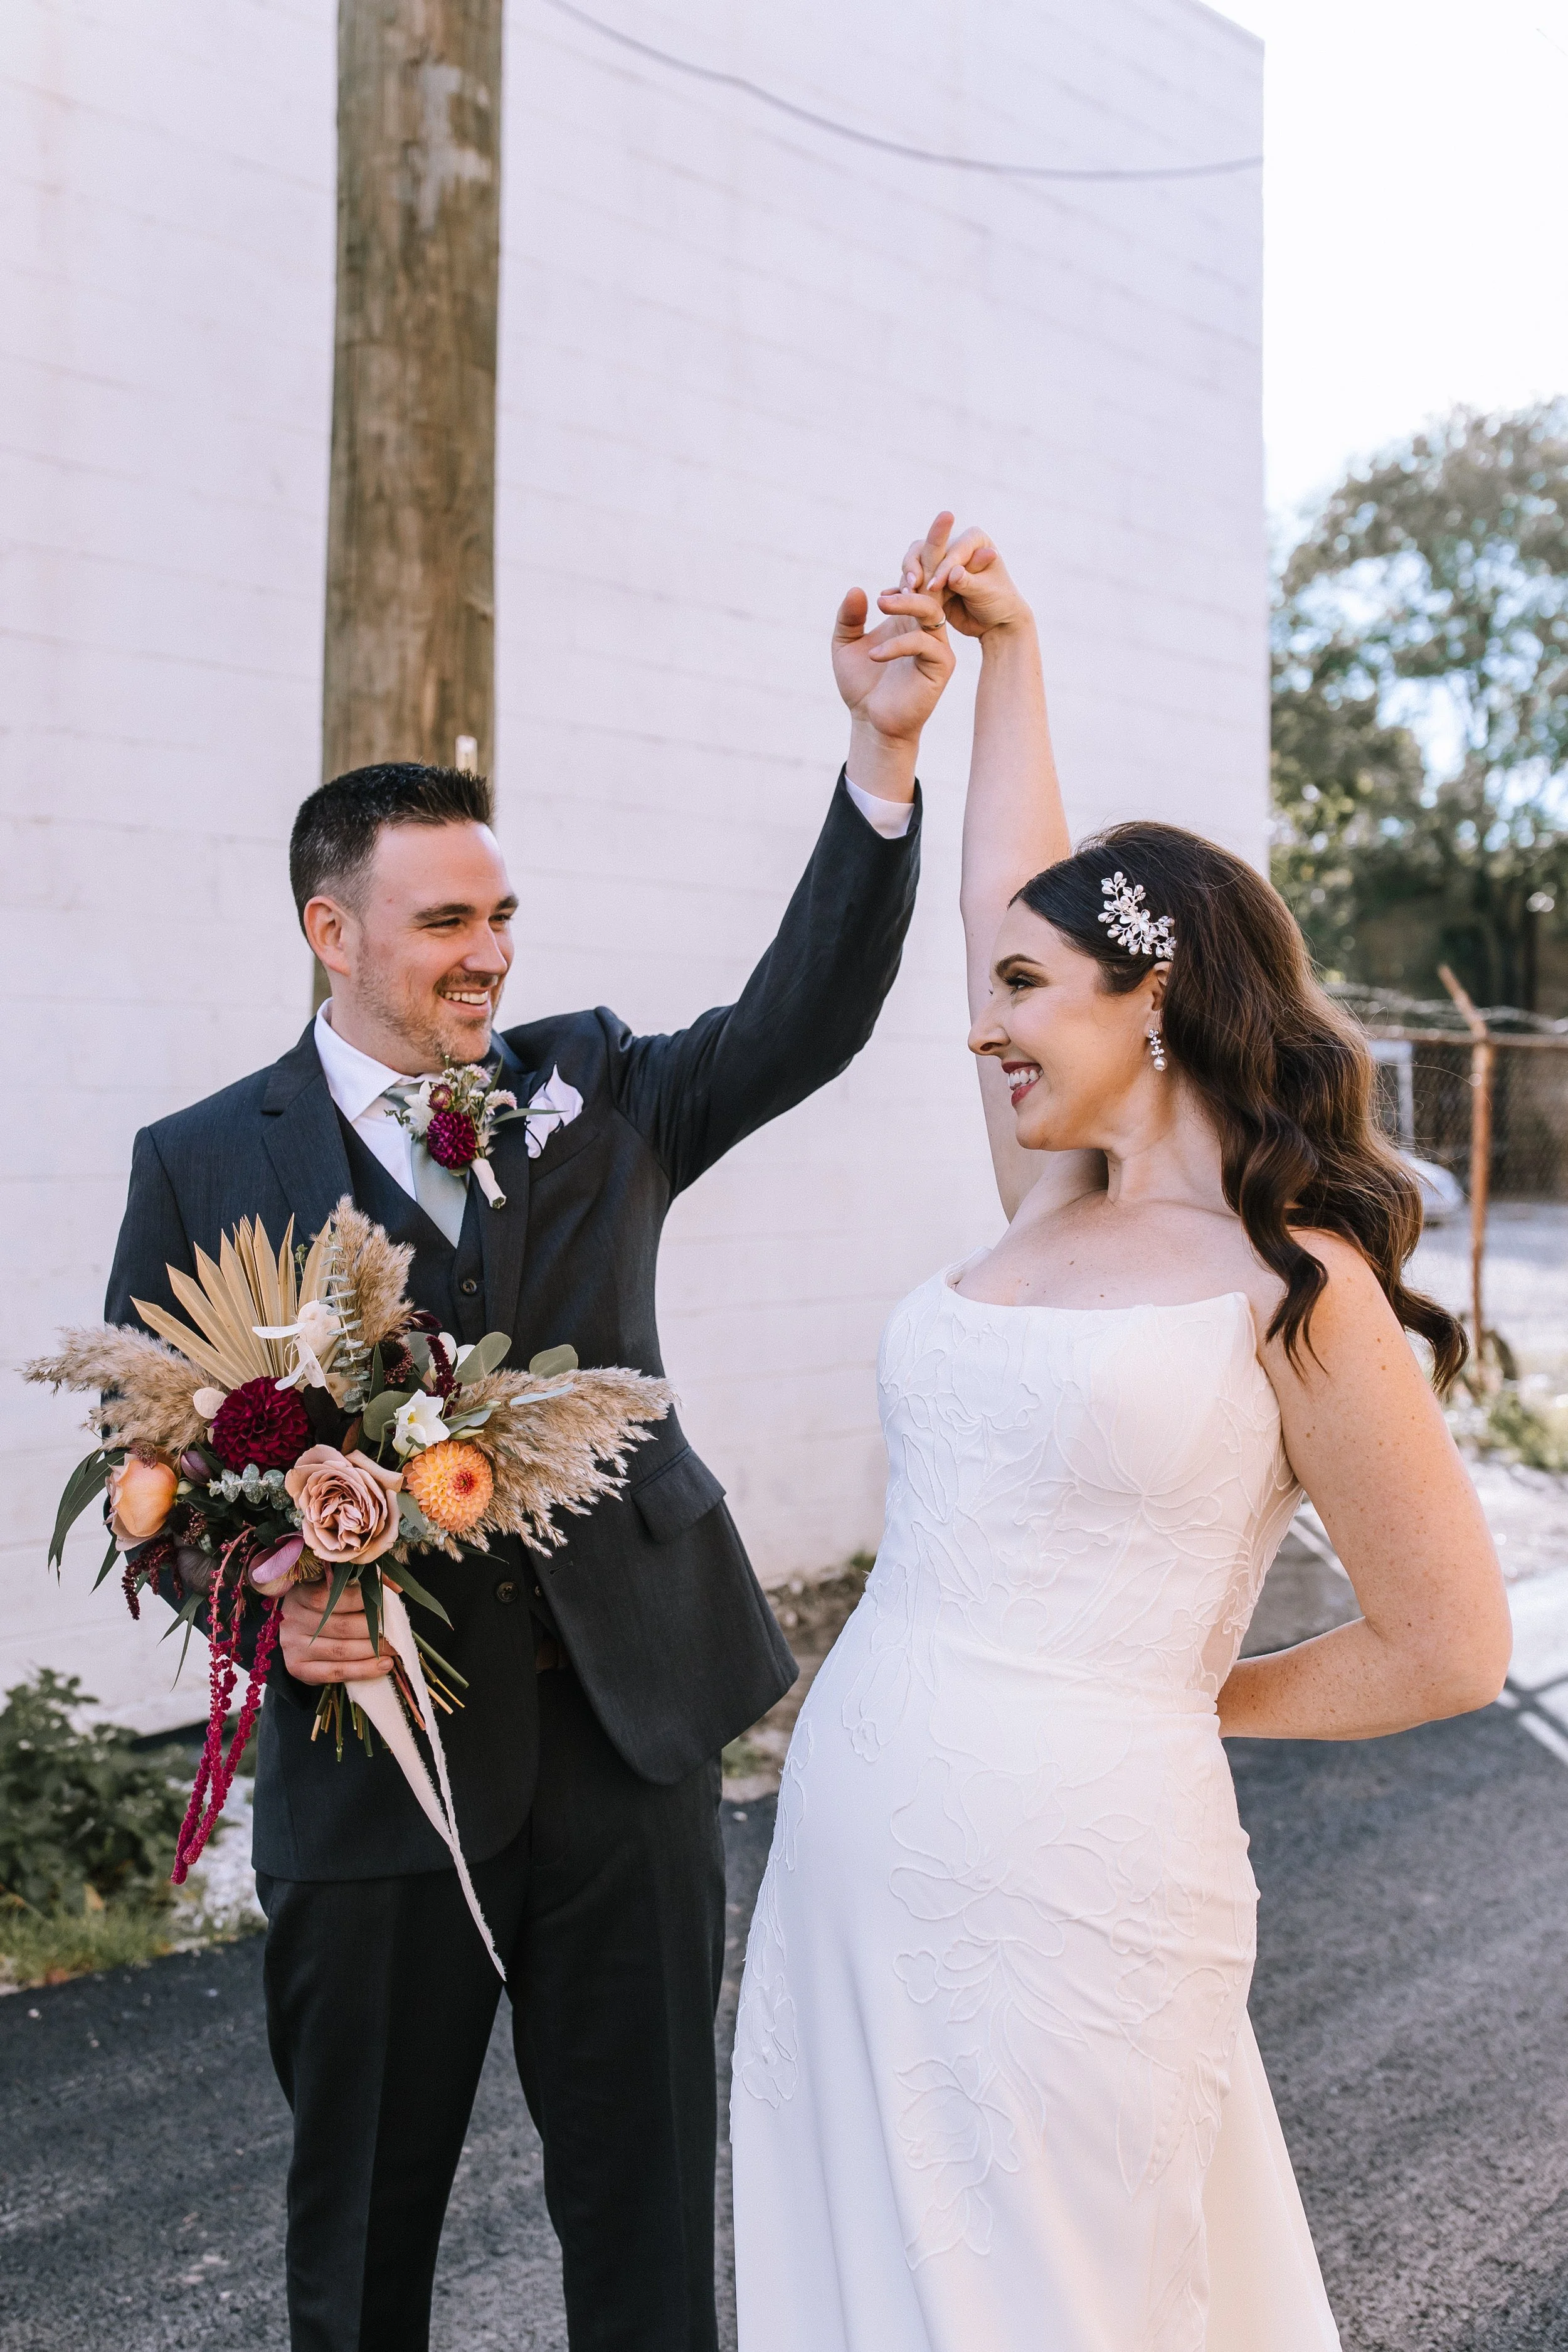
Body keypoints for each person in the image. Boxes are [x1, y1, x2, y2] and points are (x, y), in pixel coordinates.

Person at [104, 532, 960, 2352]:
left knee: (646, 2222)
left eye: (501, 917)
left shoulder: (597, 1083)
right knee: (362, 2243)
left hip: (625, 1739)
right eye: (444, 924)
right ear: (330, 932)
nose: (489, 954)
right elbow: (150, 1467)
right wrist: (267, 1600)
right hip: (377, 1768)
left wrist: (881, 757)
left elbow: (802, 1018)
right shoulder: (202, 1160)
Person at [729, 526, 1512, 2352]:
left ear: (1145, 997)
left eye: (1023, 991)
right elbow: (1003, 894)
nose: (983, 1027)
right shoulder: (1045, 1201)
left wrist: (1179, 1699)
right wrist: (1008, 664)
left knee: (1059, 2293)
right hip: (855, 1854)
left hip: (1081, 1881)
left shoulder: (1292, 1279)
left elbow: (1451, 1644)